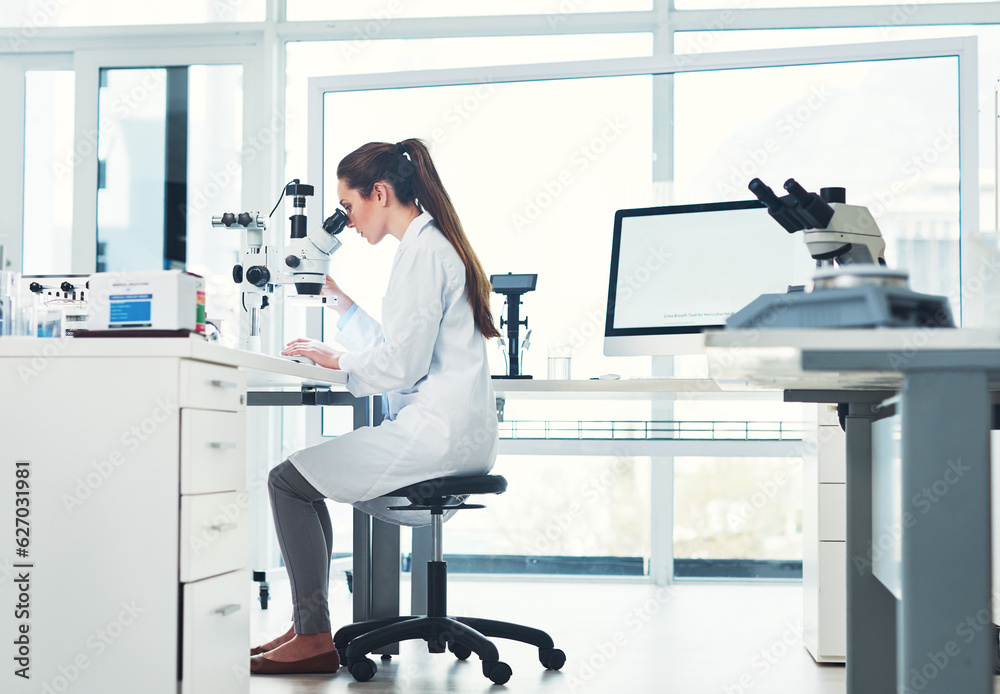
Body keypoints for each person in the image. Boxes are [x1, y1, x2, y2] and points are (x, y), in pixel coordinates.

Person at [249, 139, 501, 675]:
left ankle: (313, 635)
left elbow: (401, 365)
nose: (348, 219)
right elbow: (404, 345)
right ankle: (305, 625)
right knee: (304, 478)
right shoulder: (431, 246)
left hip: (434, 436)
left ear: (379, 193)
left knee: (286, 480)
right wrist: (336, 301)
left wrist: (336, 361)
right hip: (457, 435)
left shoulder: (422, 254)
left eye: (348, 206)